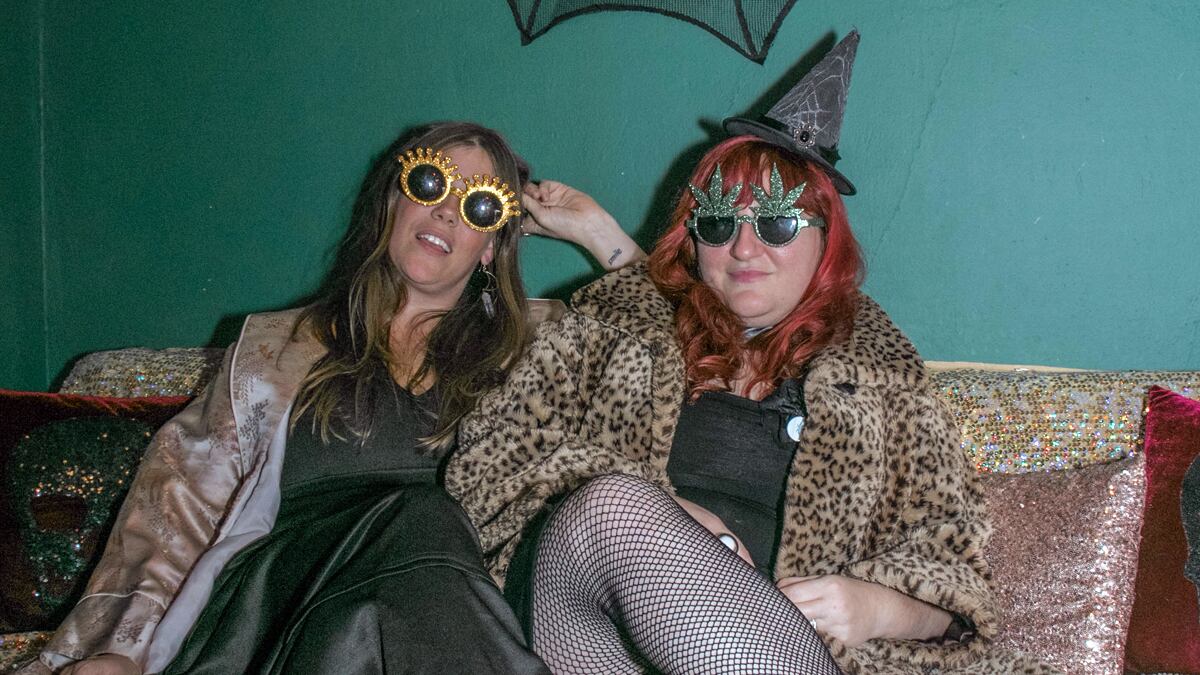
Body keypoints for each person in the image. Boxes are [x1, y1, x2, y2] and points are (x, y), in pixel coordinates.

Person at [446, 34, 1055, 674]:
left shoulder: (885, 388)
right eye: (717, 223)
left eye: (777, 223)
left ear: (826, 242)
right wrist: (663, 521)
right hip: (594, 637)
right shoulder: (601, 338)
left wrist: (877, 607)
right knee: (609, 509)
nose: (742, 248)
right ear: (693, 239)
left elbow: (955, 579)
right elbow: (486, 471)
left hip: (797, 653)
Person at [21, 121, 635, 675]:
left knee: (428, 527)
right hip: (279, 612)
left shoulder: (536, 348)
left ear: (492, 246)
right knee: (420, 514)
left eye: (479, 206)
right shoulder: (274, 348)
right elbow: (175, 504)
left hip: (435, 616)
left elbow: (671, 362)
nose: (448, 211)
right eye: (429, 182)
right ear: (393, 201)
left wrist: (596, 231)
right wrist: (121, 650)